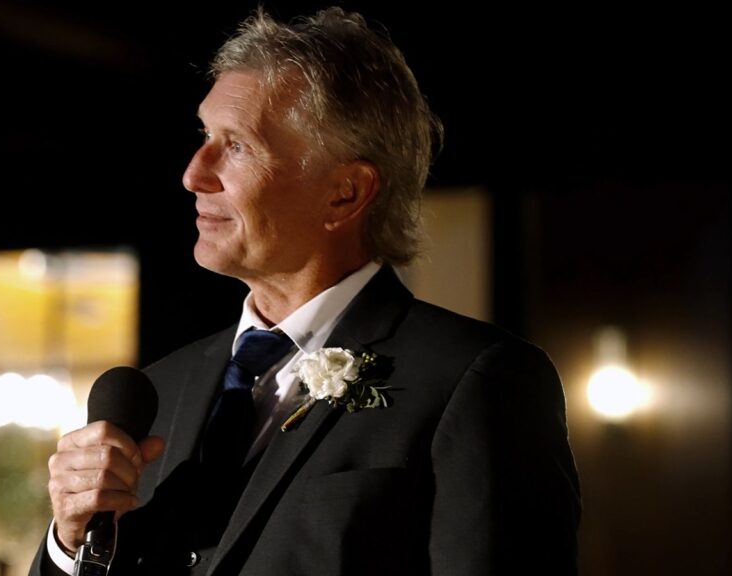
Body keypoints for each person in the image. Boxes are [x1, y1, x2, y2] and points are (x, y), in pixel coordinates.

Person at [31, 7, 580, 575]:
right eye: (205, 136)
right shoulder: (160, 390)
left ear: (344, 193)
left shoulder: (477, 381)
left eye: (238, 145)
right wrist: (71, 545)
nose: (194, 173)